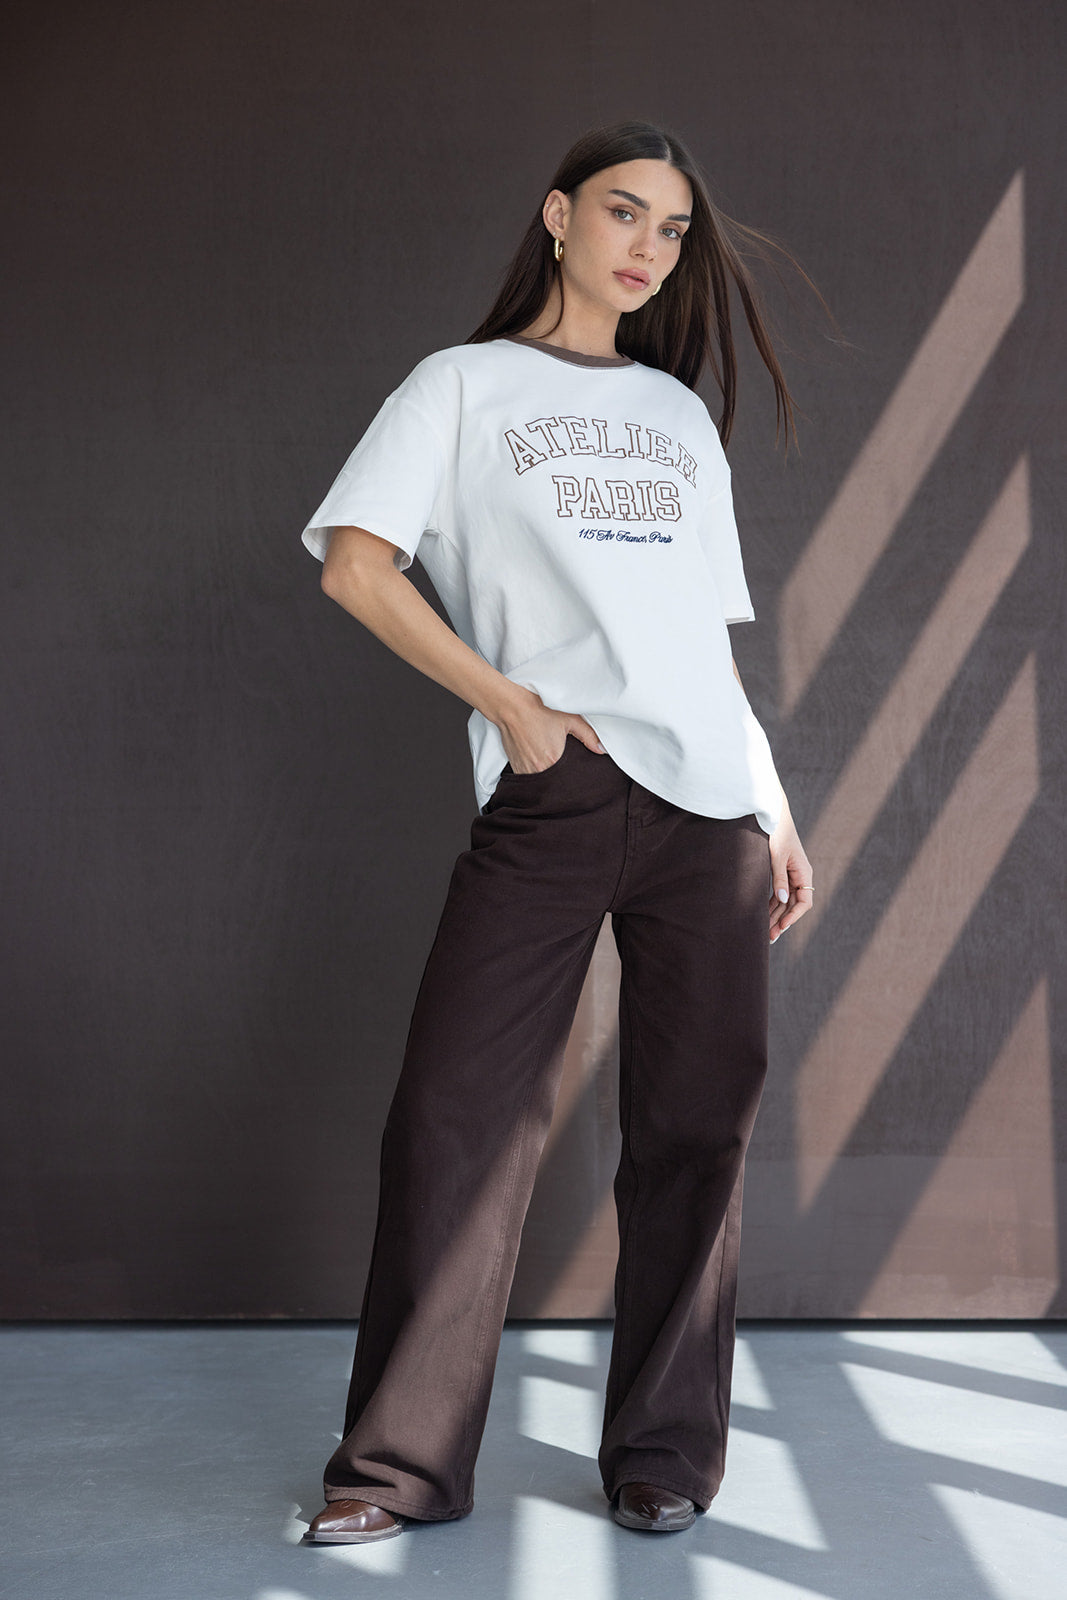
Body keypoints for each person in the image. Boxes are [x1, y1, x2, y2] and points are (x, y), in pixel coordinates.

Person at [297, 119, 818, 1544]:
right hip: (560, 789)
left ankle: (664, 1457)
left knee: (696, 1129)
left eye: (673, 231)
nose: (649, 248)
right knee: (457, 1115)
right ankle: (393, 1469)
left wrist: (776, 807)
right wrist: (510, 705)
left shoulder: (678, 420)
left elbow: (703, 646)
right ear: (558, 215)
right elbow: (358, 568)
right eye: (625, 213)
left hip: (710, 809)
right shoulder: (459, 387)